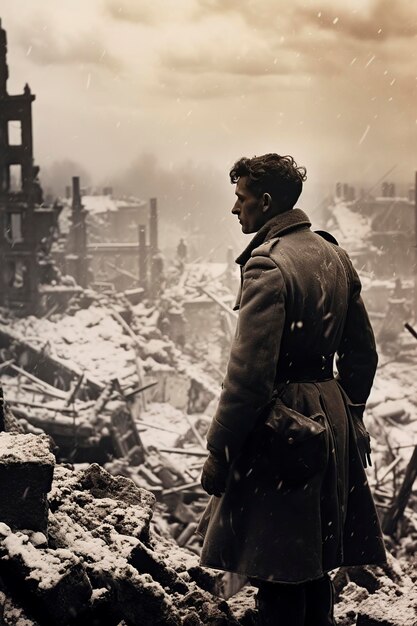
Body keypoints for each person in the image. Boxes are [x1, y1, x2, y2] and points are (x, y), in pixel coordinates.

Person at [198, 154, 386, 625]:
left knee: (278, 568)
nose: (234, 210)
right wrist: (349, 413)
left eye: (240, 199)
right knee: (315, 563)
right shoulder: (333, 255)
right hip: (331, 420)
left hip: (285, 429)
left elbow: (248, 379)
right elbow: (362, 355)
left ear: (264, 203)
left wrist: (219, 452)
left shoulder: (268, 264)